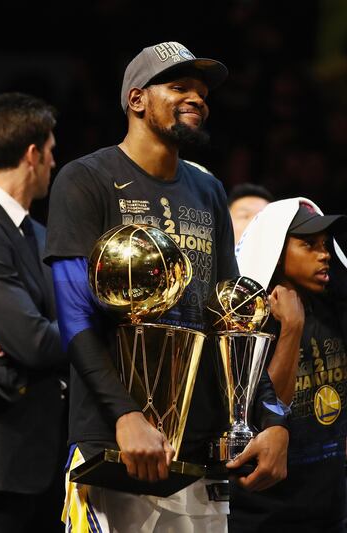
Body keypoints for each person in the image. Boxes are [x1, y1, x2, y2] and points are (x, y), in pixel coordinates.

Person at [44, 41, 290, 532]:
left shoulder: (209, 191)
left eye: (202, 92)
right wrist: (125, 414)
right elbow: (74, 317)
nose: (197, 98)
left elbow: (232, 315)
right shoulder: (85, 179)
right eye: (179, 87)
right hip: (117, 444)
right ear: (136, 100)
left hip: (201, 447)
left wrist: (273, 418)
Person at [231, 197, 347, 533]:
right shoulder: (245, 321)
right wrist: (291, 328)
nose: (323, 254)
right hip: (264, 517)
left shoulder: (333, 308)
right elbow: (266, 413)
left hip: (330, 512)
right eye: (308, 245)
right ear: (275, 249)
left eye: (326, 245)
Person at [0, 92, 68, 533]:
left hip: (44, 459)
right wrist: (89, 327)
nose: (55, 164)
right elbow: (34, 342)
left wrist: (27, 334)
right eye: (52, 151)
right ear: (33, 154)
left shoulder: (38, 232)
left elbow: (34, 334)